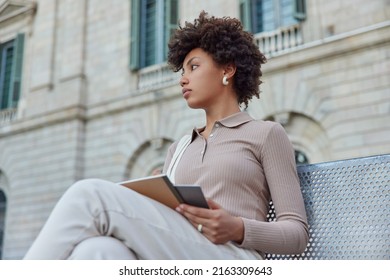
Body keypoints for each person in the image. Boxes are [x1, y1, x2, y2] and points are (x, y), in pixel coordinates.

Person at [24, 11, 308, 260]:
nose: (183, 79)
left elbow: (296, 234)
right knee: (99, 252)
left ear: (228, 69)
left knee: (89, 195)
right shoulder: (180, 148)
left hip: (235, 257)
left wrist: (238, 227)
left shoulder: (266, 134)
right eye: (182, 71)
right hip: (179, 252)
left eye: (194, 67)